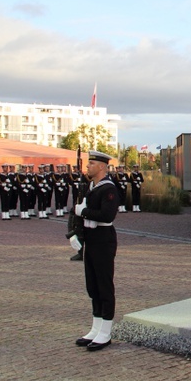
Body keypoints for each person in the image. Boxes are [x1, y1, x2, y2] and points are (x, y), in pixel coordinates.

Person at [71, 150, 120, 351]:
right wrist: (77, 234)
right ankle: (96, 327)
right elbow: (80, 214)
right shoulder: (92, 186)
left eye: (91, 163)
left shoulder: (108, 188)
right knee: (92, 286)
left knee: (103, 285)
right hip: (91, 239)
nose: (88, 167)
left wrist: (83, 212)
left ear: (101, 166)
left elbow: (107, 216)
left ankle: (106, 332)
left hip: (103, 240)